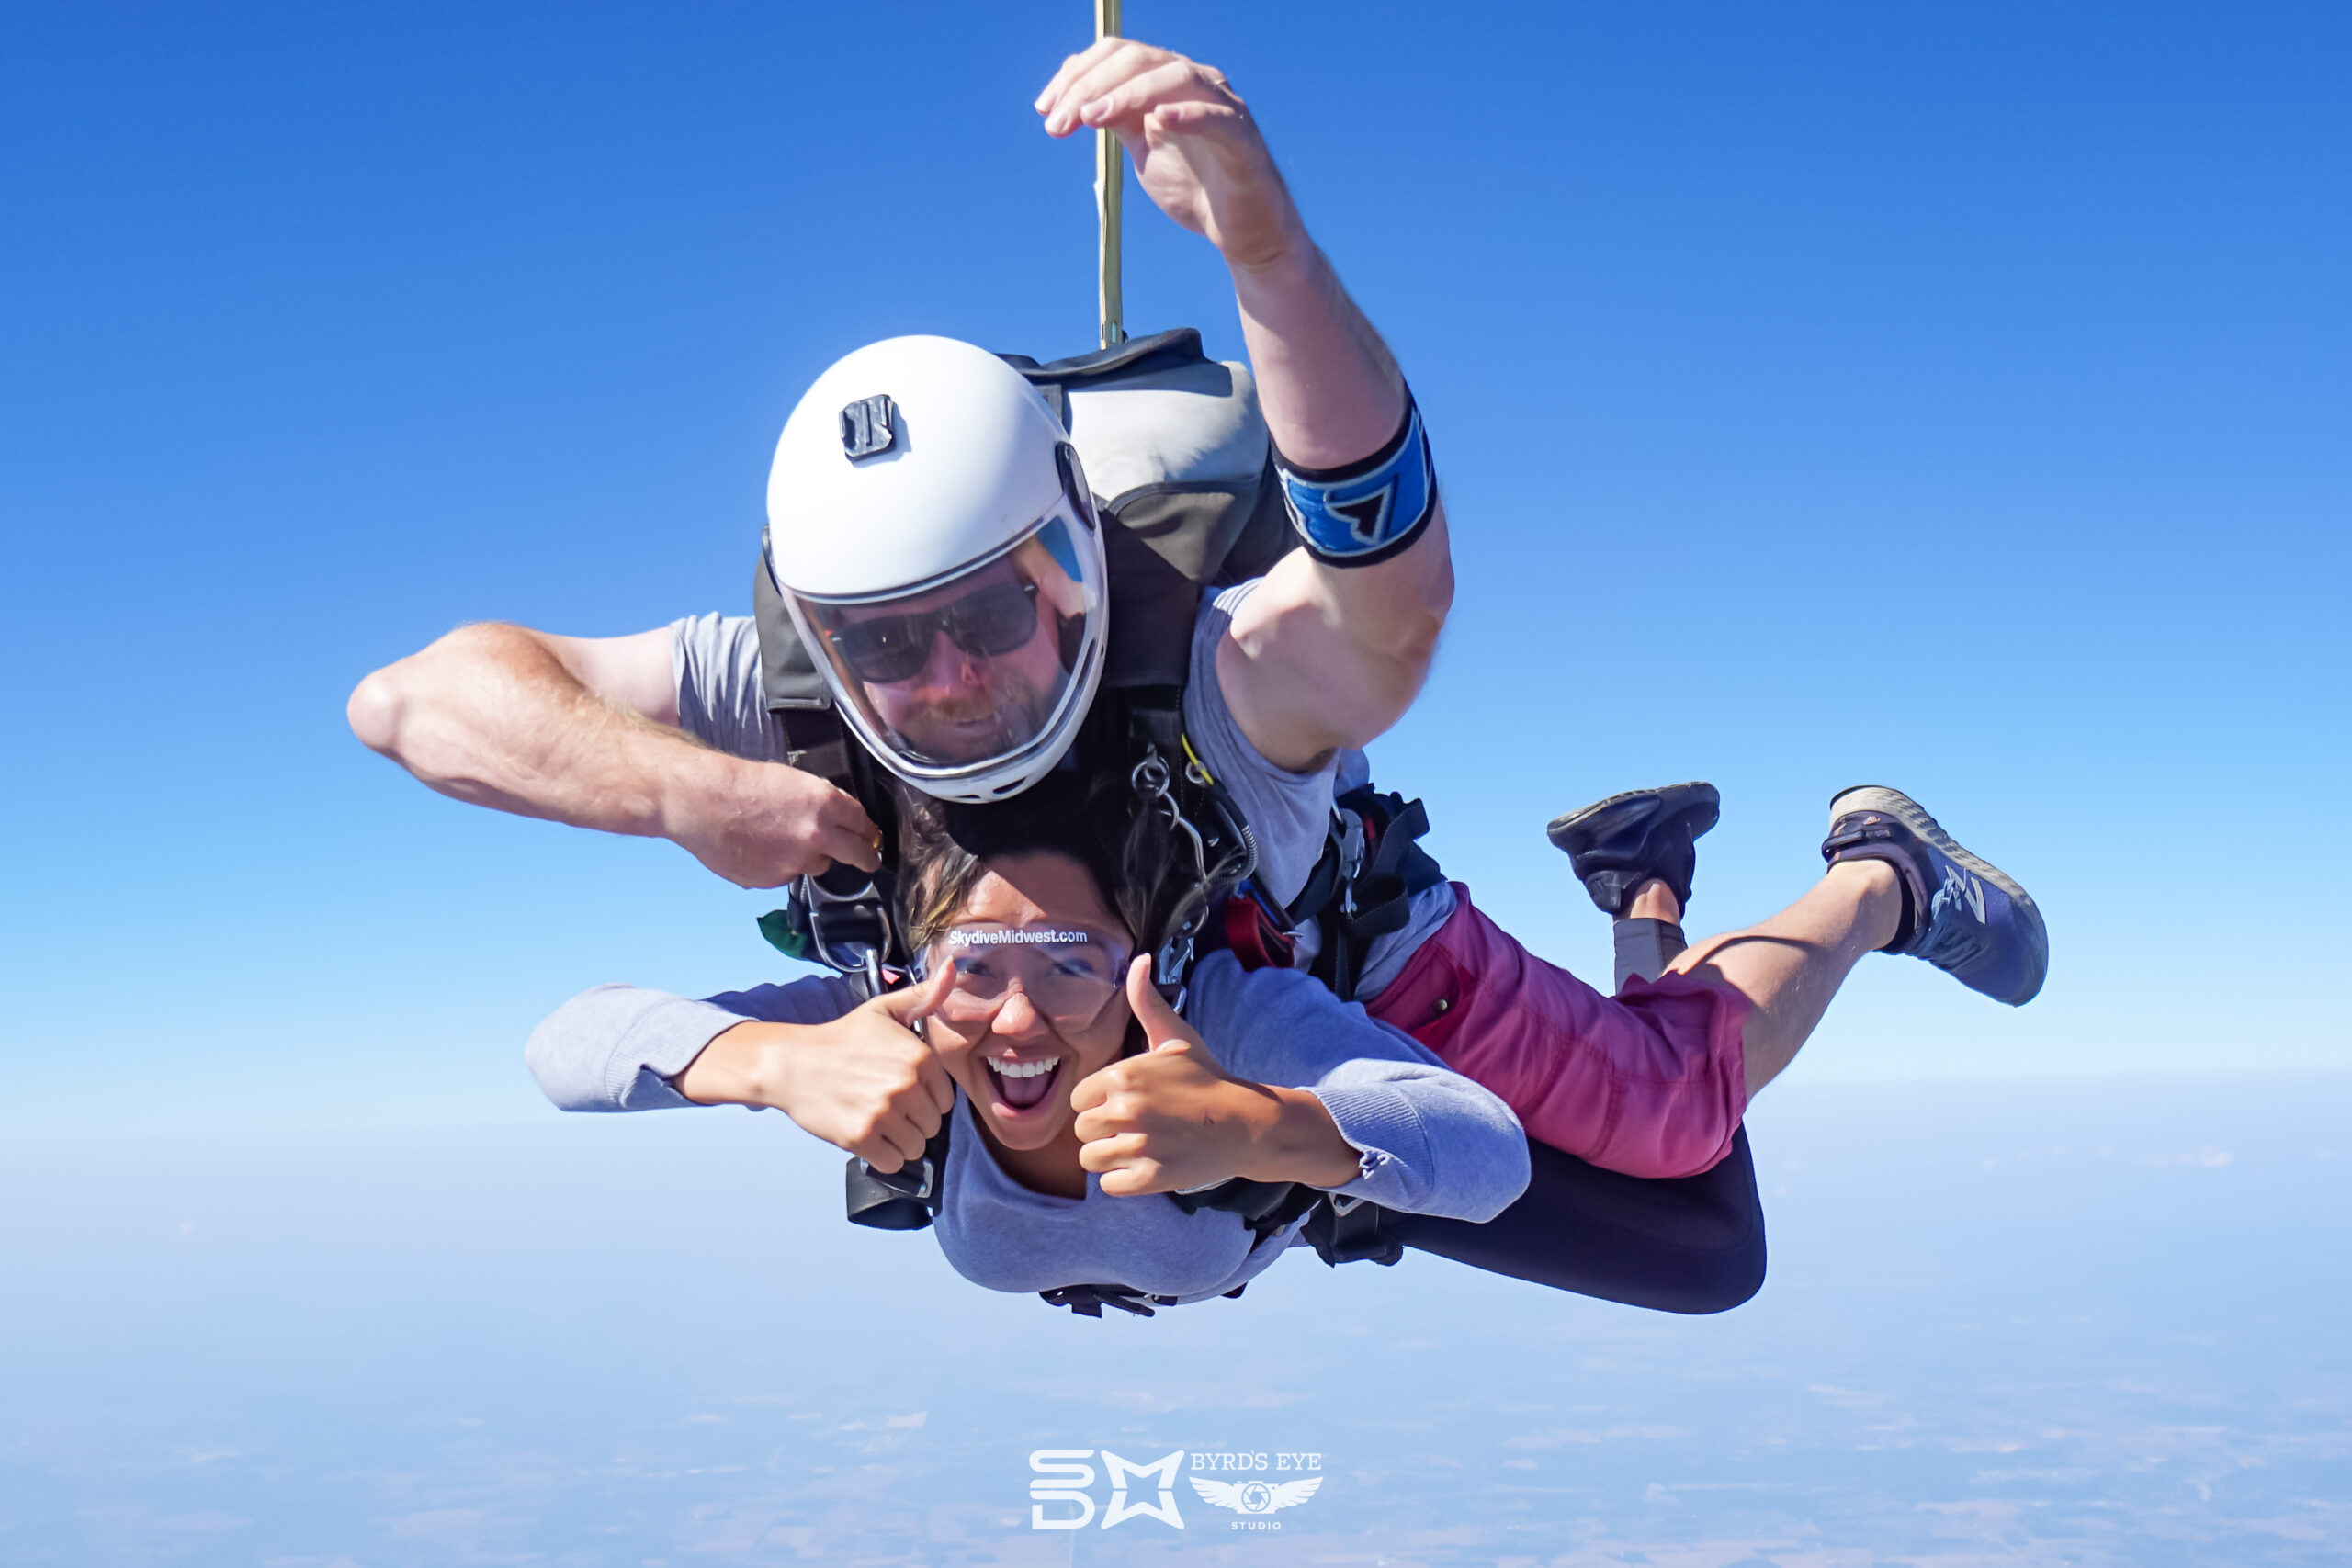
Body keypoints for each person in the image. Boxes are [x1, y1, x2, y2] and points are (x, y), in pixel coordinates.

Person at [526, 777, 1530, 1314]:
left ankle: (1641, 895)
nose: (1014, 1019)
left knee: (1691, 1256)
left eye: (1068, 962)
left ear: (1139, 956)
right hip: (1227, 1249)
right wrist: (771, 1062)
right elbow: (563, 1048)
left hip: (1309, 1201)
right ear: (920, 962)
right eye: (973, 965)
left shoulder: (1214, 1019)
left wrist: (1256, 1125)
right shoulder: (888, 1021)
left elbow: (1490, 1153)